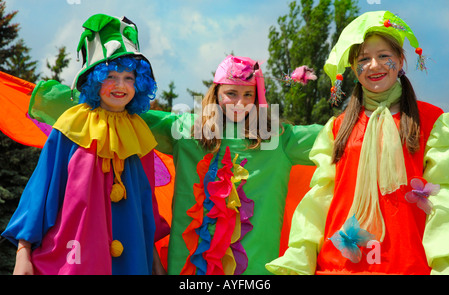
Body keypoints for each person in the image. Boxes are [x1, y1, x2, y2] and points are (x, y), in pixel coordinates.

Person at [25, 54, 322, 274]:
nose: (240, 103)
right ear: (216, 94)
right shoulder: (189, 130)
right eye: (231, 93)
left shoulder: (277, 137)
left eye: (249, 95)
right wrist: (58, 99)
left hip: (254, 271)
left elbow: (334, 138)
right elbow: (124, 113)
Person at [266, 10, 449, 275]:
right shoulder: (337, 128)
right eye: (364, 59)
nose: (374, 65)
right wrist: (300, 255)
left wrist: (443, 264)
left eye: (384, 56)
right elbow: (320, 198)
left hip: (408, 264)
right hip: (339, 265)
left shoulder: (433, 123)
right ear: (353, 68)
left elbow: (442, 199)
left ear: (400, 60)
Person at [2, 14, 168, 275]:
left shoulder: (139, 132)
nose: (120, 86)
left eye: (128, 78)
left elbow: (145, 204)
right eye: (110, 76)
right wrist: (23, 252)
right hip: (74, 258)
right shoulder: (72, 124)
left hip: (133, 260)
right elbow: (44, 189)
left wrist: (153, 256)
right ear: (95, 80)